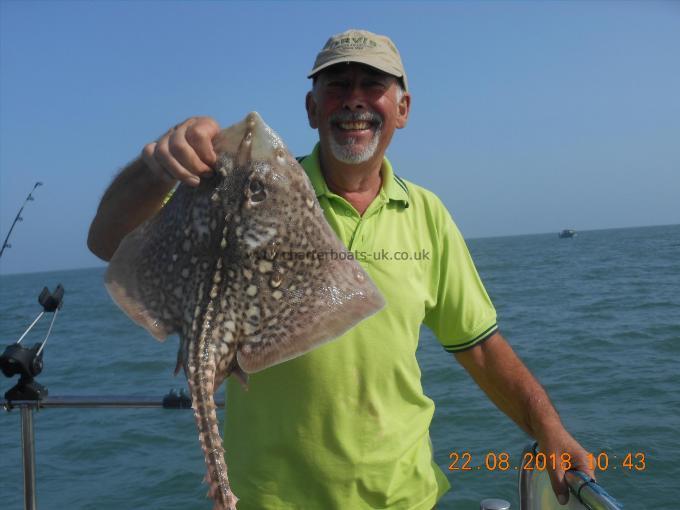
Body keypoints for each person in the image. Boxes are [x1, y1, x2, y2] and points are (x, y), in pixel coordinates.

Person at [88, 29, 594, 509]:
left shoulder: (427, 215)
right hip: (271, 499)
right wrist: (157, 166)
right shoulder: (240, 190)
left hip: (402, 497)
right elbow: (107, 241)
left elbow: (480, 345)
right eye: (337, 86)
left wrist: (547, 427)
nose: (354, 99)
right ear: (312, 108)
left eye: (373, 85)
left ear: (402, 108)